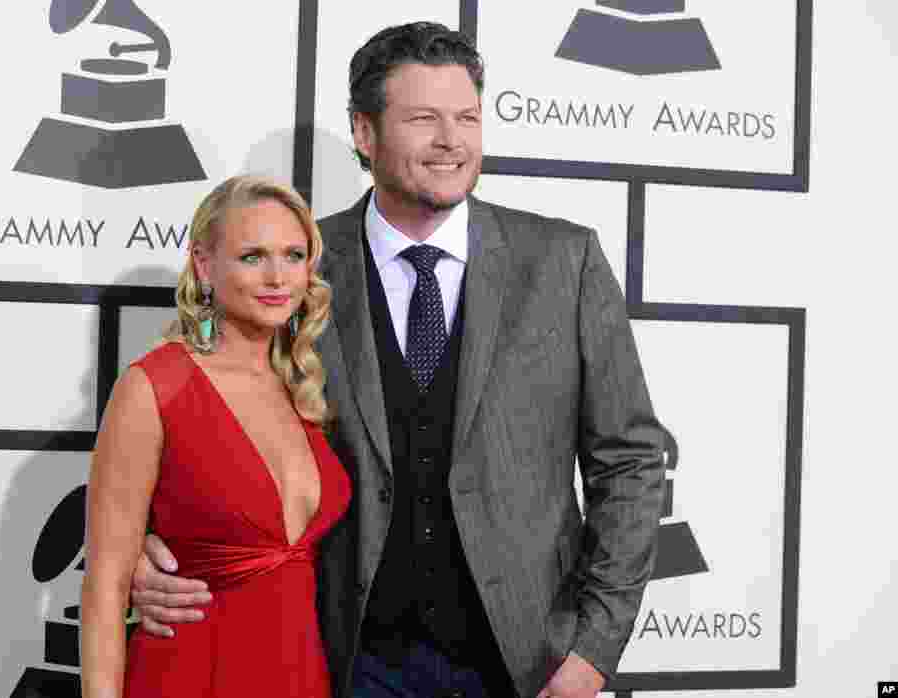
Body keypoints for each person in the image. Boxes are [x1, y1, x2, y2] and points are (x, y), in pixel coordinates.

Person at [131, 22, 668, 698]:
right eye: (424, 119)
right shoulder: (298, 266)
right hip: (344, 658)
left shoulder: (565, 262)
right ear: (365, 132)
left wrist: (593, 649)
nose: (452, 140)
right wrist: (144, 547)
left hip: (527, 662)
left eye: (468, 117)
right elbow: (193, 420)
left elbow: (630, 459)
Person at [79, 175, 351, 698]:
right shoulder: (156, 387)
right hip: (191, 672)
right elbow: (105, 588)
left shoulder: (303, 385)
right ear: (205, 266)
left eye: (294, 255)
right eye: (252, 256)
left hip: (300, 675)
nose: (278, 277)